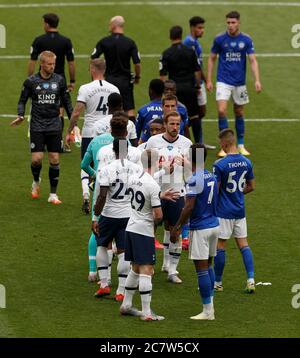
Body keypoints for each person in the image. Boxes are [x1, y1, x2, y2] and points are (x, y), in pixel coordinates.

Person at [120, 149, 180, 320]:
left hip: (130, 227)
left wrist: (160, 195)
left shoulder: (133, 178)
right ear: (158, 160)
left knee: (135, 267)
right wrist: (158, 200)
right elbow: (159, 215)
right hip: (143, 231)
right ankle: (146, 313)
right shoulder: (152, 185)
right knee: (147, 269)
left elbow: (142, 194)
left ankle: (126, 304)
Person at [81, 111, 139, 282]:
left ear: (110, 129)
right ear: (127, 132)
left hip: (103, 199)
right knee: (123, 248)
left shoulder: (101, 147)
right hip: (128, 206)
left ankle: (98, 276)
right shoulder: (134, 153)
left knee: (100, 239)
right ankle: (122, 287)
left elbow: (86, 166)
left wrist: (96, 215)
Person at [11, 50, 73, 204]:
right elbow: (22, 100)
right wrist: (20, 114)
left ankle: (53, 194)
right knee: (37, 160)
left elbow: (67, 101)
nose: (52, 66)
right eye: (50, 64)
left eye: (54, 64)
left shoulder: (59, 80)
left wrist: (73, 121)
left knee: (54, 158)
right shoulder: (31, 81)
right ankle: (36, 181)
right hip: (37, 125)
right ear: (42, 64)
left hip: (54, 124)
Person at [170, 144, 219, 320]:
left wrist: (177, 227)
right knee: (209, 265)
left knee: (201, 269)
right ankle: (211, 305)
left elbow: (188, 206)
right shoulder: (211, 176)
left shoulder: (194, 179)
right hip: (214, 225)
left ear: (191, 158)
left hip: (200, 228)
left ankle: (208, 311)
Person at [65, 58, 120, 214]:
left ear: (92, 69)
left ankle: (86, 194)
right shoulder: (114, 88)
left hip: (90, 133)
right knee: (111, 163)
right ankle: (111, 197)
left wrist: (69, 131)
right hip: (111, 132)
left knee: (86, 164)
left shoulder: (85, 88)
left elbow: (76, 113)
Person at [92, 138, 142, 302]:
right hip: (128, 215)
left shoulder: (107, 169)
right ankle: (120, 291)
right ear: (127, 150)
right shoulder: (136, 168)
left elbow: (102, 195)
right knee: (123, 252)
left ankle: (104, 284)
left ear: (113, 151)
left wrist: (95, 216)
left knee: (101, 245)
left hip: (109, 214)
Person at [206, 11, 262, 157]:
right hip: (223, 81)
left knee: (239, 111)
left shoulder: (246, 40)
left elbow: (252, 60)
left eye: (233, 23)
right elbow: (211, 58)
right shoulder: (219, 39)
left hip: (239, 83)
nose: (230, 25)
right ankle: (224, 146)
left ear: (238, 23)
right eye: (228, 23)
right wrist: (209, 79)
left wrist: (257, 80)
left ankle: (241, 145)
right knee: (222, 111)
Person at [146, 111, 192, 283]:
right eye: (171, 124)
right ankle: (149, 264)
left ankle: (172, 269)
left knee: (175, 231)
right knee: (150, 229)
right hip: (156, 192)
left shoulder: (187, 143)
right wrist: (159, 167)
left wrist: (186, 164)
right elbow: (145, 170)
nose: (175, 127)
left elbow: (195, 171)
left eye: (177, 124)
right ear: (165, 124)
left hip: (177, 192)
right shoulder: (153, 142)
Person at [213, 128, 256, 293]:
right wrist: (238, 192)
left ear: (224, 143)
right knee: (243, 244)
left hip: (223, 212)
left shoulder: (220, 164)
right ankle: (251, 279)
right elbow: (251, 186)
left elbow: (216, 191)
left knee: (220, 246)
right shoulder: (247, 162)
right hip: (240, 210)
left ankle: (217, 282)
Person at [28, 13, 76, 152]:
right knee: (59, 112)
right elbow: (71, 63)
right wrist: (72, 80)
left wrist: (30, 80)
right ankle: (57, 142)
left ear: (47, 24)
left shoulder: (39, 40)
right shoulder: (66, 41)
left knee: (40, 109)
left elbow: (32, 62)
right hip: (59, 81)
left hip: (40, 81)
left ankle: (41, 140)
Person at [91, 15, 141, 123]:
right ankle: (130, 137)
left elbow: (94, 58)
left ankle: (110, 135)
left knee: (110, 109)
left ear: (114, 25)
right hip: (125, 81)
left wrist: (96, 76)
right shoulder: (130, 42)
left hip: (109, 80)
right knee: (129, 110)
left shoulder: (104, 41)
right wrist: (137, 77)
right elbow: (137, 63)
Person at [159, 25, 202, 143]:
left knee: (174, 116)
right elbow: (197, 71)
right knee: (194, 116)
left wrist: (165, 92)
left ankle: (175, 140)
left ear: (170, 36)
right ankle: (198, 143)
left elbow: (162, 75)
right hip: (189, 88)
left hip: (175, 90)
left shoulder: (166, 53)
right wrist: (197, 85)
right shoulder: (190, 51)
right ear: (181, 36)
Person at [183, 17, 215, 150]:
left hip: (198, 82)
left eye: (203, 28)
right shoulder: (189, 43)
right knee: (196, 113)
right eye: (199, 28)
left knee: (201, 112)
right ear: (192, 28)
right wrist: (202, 82)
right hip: (194, 83)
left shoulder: (195, 42)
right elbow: (194, 67)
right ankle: (183, 134)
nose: (202, 31)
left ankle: (197, 141)